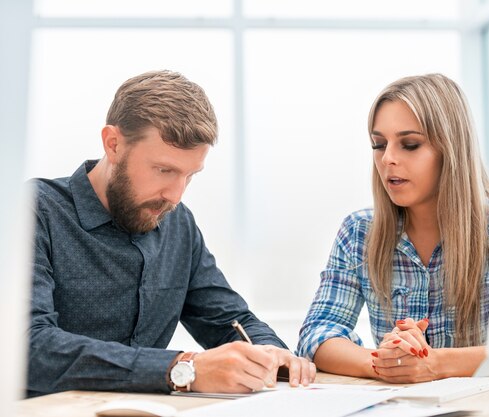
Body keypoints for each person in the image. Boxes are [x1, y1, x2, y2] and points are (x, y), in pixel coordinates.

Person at [28, 70, 315, 397]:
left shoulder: (178, 223)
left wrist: (270, 352)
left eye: (189, 176)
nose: (175, 196)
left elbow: (229, 320)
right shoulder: (34, 211)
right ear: (113, 144)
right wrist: (183, 368)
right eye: (164, 170)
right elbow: (28, 348)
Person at [296, 74, 489, 383]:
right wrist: (387, 362)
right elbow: (317, 333)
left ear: (451, 149)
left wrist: (437, 363)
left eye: (409, 145)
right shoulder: (359, 231)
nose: (388, 159)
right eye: (379, 145)